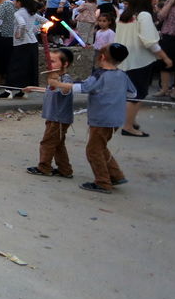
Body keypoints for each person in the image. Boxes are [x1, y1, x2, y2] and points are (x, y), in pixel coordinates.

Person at [48, 44, 135, 193]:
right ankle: (116, 175)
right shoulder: (122, 75)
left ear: (101, 57)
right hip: (115, 118)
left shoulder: (99, 75)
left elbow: (83, 88)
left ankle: (102, 182)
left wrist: (58, 84)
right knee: (100, 147)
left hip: (101, 118)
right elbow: (132, 93)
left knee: (93, 150)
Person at [115, 0, 172, 136]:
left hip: (124, 60)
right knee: (138, 93)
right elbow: (150, 42)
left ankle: (131, 120)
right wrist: (165, 57)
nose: (156, 1)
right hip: (140, 60)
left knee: (131, 93)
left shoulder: (123, 15)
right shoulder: (144, 15)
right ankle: (128, 126)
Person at [25, 48, 75, 178]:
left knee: (47, 143)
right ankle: (65, 170)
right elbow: (50, 90)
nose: (49, 64)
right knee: (58, 144)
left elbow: (65, 91)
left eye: (53, 61)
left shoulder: (66, 79)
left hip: (59, 119)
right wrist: (33, 88)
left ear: (65, 64)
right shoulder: (56, 79)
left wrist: (57, 83)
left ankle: (44, 167)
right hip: (53, 116)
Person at [0, 0, 39, 100]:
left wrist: (19, 34)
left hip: (21, 44)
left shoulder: (18, 13)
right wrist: (36, 30)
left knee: (14, 67)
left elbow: (22, 24)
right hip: (33, 43)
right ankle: (23, 91)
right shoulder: (31, 12)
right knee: (28, 68)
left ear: (19, 2)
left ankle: (8, 91)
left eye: (15, 0)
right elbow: (45, 21)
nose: (13, 2)